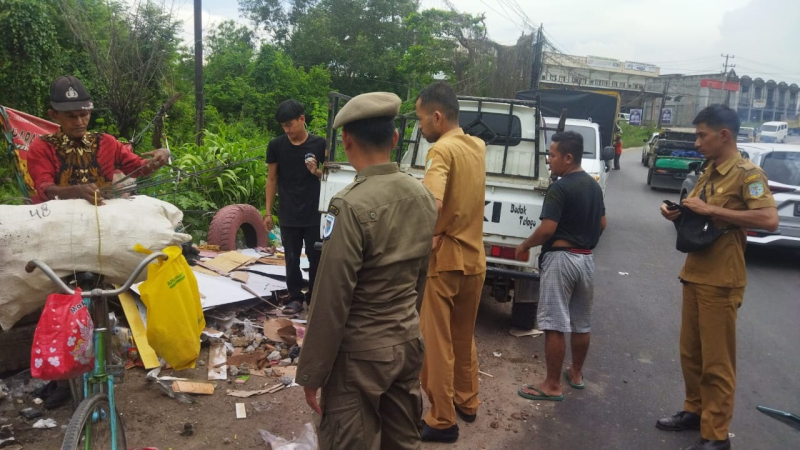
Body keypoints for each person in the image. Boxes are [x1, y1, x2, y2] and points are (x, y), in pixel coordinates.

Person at [296, 92, 437, 450]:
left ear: (345, 142)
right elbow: (421, 273)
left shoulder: (349, 205)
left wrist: (312, 372)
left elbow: (331, 297)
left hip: (359, 356)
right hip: (406, 341)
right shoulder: (421, 195)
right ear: (394, 140)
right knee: (403, 441)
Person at [657, 105, 778, 450]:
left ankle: (716, 435)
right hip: (695, 271)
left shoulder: (747, 174)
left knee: (717, 362)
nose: (697, 143)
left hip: (722, 280)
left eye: (702, 135)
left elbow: (769, 220)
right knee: (691, 353)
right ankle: (693, 411)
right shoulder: (710, 170)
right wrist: (678, 213)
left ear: (724, 135)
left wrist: (711, 210)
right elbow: (699, 210)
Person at [415, 81, 487, 444]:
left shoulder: (440, 151)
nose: (420, 126)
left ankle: (442, 420)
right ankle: (467, 400)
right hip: (475, 258)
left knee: (436, 342)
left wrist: (425, 233)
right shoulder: (476, 146)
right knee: (463, 336)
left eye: (421, 119)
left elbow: (434, 201)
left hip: (443, 262)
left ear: (437, 117)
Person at [515, 131, 606, 403]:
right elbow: (602, 224)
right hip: (586, 259)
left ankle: (552, 385)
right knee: (581, 322)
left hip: (561, 259)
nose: (549, 159)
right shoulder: (593, 186)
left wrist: (524, 245)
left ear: (568, 157)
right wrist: (584, 241)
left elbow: (547, 229)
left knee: (554, 323)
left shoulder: (560, 187)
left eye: (552, 155)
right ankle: (576, 374)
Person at [27, 76, 170, 205]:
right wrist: (77, 191)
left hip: (101, 218)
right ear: (54, 115)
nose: (79, 122)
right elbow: (45, 188)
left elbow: (139, 168)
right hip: (59, 219)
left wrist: (159, 158)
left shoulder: (106, 142)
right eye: (70, 116)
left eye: (84, 114)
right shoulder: (43, 147)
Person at [264, 99, 326, 313]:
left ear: (302, 119)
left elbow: (330, 176)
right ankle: (295, 297)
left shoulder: (320, 144)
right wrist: (268, 212)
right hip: (289, 211)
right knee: (291, 256)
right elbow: (271, 179)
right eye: (283, 126)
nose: (287, 129)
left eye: (289, 124)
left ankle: (315, 296)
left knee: (315, 255)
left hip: (314, 212)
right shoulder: (276, 146)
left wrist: (316, 171)